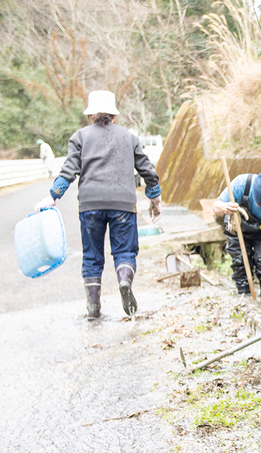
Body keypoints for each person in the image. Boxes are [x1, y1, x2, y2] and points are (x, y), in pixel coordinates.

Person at [34, 90, 162, 320]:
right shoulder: (130, 138)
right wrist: (154, 198)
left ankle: (93, 306)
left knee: (92, 256)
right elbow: (148, 172)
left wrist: (52, 196)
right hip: (123, 204)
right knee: (124, 252)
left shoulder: (80, 137)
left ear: (91, 114)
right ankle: (124, 281)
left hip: (90, 205)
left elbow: (68, 171)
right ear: (114, 114)